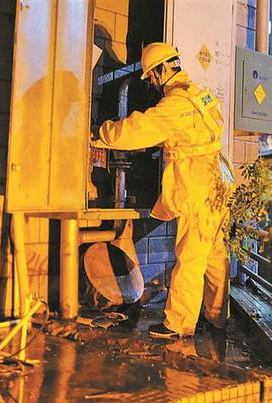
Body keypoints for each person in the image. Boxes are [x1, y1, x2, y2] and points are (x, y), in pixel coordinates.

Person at [92, 42, 231, 339]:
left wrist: (101, 133)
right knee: (214, 253)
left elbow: (139, 128)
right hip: (216, 182)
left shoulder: (177, 104)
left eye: (153, 76)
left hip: (197, 184)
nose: (153, 82)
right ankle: (216, 316)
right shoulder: (200, 95)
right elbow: (191, 133)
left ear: (164, 68)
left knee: (192, 255)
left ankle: (178, 324)